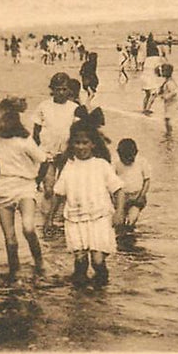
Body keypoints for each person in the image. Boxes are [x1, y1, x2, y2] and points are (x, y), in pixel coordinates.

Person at [52, 120, 125, 286]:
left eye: (85, 142)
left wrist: (119, 212)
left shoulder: (101, 165)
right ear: (72, 144)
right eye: (77, 143)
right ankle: (80, 302)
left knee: (98, 261)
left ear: (93, 144)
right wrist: (50, 219)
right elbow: (58, 194)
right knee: (80, 260)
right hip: (75, 219)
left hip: (99, 218)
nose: (81, 147)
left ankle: (101, 295)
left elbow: (119, 190)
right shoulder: (69, 166)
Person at [0, 97, 47, 280]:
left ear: (9, 122)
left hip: (24, 187)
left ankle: (40, 263)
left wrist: (37, 182)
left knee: (28, 228)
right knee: (10, 238)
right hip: (2, 189)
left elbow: (44, 161)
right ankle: (15, 272)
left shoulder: (24, 140)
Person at [32, 73, 79, 230]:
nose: (61, 93)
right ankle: (46, 219)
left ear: (69, 91)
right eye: (57, 89)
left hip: (67, 153)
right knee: (49, 188)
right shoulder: (44, 106)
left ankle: (59, 218)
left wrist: (72, 151)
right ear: (52, 90)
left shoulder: (74, 108)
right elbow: (36, 132)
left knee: (64, 187)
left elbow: (78, 133)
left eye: (64, 89)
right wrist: (36, 153)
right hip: (47, 152)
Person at [114, 138, 150, 234]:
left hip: (136, 196)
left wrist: (142, 195)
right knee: (120, 221)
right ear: (118, 154)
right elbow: (111, 181)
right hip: (120, 198)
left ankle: (130, 229)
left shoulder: (142, 162)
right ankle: (123, 235)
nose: (127, 160)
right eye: (124, 158)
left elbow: (147, 180)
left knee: (131, 218)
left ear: (136, 153)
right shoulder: (116, 163)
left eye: (130, 157)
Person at [157, 63, 178, 133]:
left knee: (168, 120)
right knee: (167, 120)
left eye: (162, 70)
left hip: (171, 105)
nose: (160, 72)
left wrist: (166, 97)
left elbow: (174, 92)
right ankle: (169, 135)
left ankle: (169, 135)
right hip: (169, 105)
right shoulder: (167, 81)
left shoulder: (170, 82)